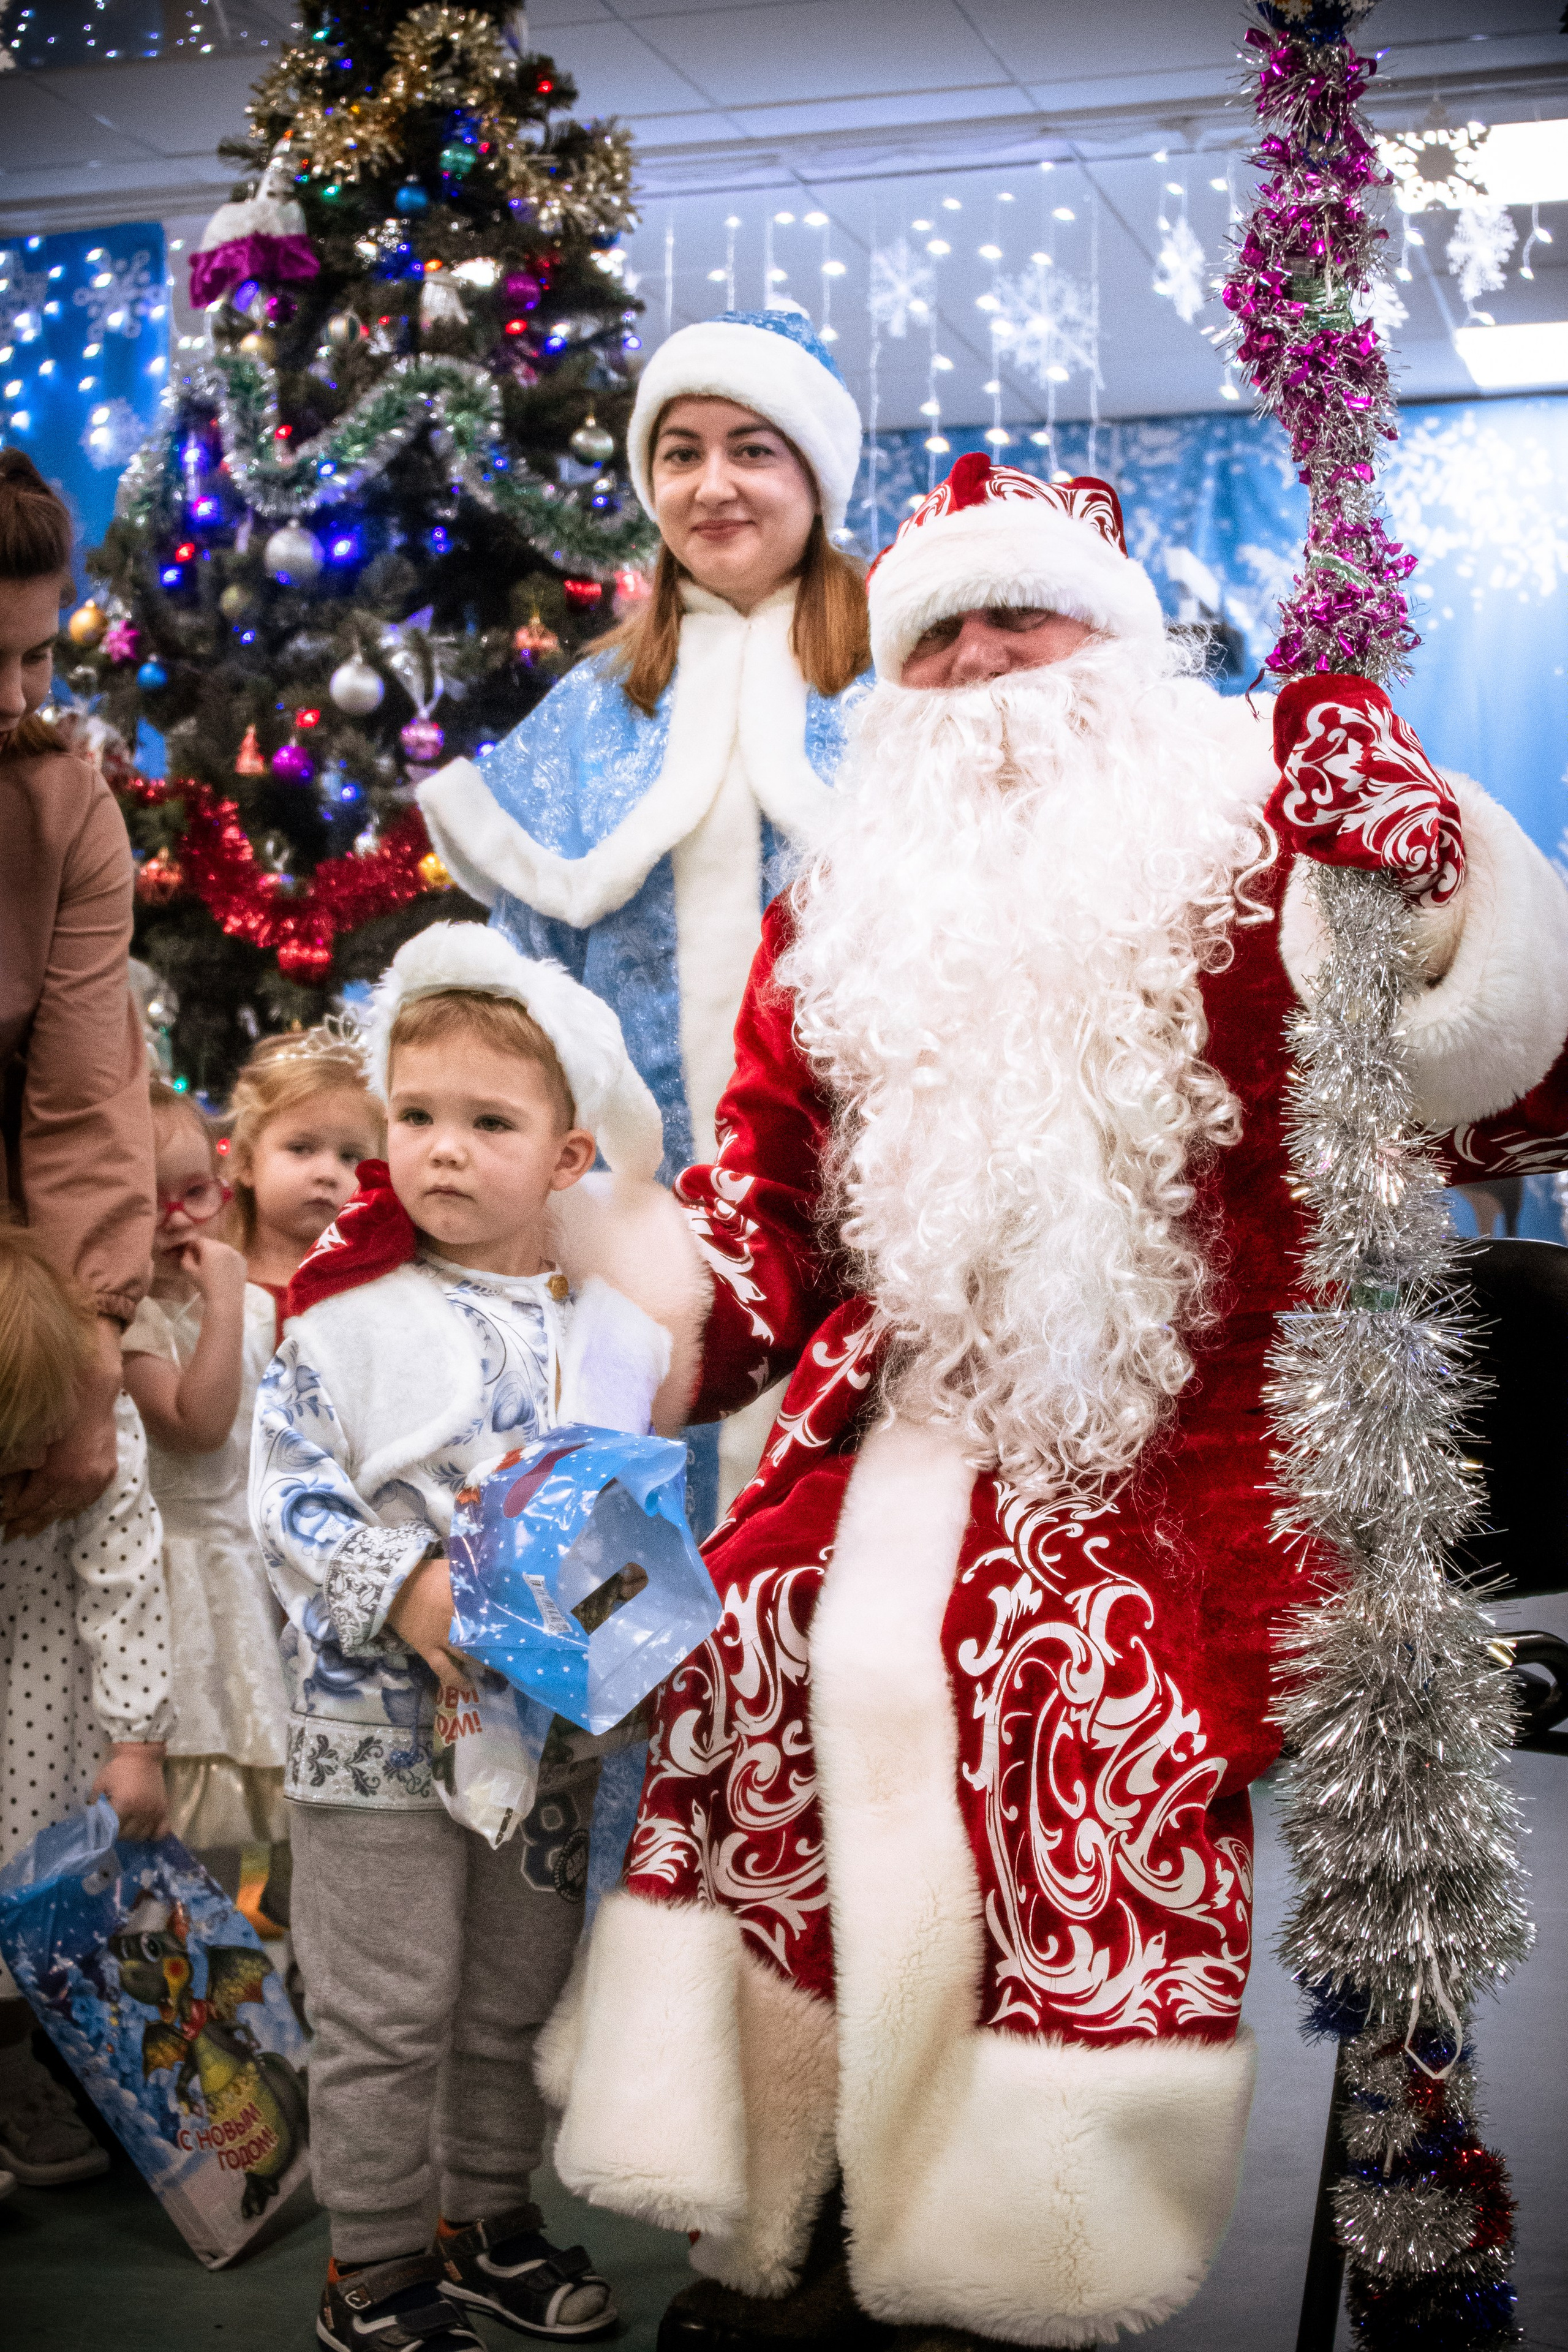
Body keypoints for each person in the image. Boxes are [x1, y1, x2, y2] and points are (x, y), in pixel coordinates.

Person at [536, 455, 1568, 2352]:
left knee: (1052, 1673)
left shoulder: (1266, 832)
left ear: (1117, 641)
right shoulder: (844, 916)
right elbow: (763, 1214)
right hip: (913, 1425)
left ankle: (1024, 2233)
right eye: (936, 636)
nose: (980, 665)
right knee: (762, 1622)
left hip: (1219, 1445)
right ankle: (805, 2195)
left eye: (1023, 617)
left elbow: (1518, 1099)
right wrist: (653, 1292)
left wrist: (1433, 891)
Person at [248, 922, 704, 2352]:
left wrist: (630, 1656)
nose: (442, 1148)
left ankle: (483, 2219)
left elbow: (627, 1526)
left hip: (543, 1739)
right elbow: (284, 1494)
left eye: (488, 1123)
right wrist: (403, 1584)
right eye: (417, 1116)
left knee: (508, 1999)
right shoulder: (342, 1329)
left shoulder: (615, 1338)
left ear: (568, 1156)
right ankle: (373, 2266)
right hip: (373, 1738)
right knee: (386, 2013)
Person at [418, 309, 869, 1527]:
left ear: (815, 475)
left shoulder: (898, 687)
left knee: (833, 1556)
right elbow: (517, 996)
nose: (712, 485)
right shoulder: (589, 715)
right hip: (628, 1243)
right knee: (629, 1575)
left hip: (868, 1228)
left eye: (751, 449)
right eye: (680, 453)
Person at [0, 448, 156, 1542]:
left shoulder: (65, 808)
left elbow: (85, 1096)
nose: (13, 699)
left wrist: (90, 1352)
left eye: (37, 656)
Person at [0, 1225, 171, 2198]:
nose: (28, 1457)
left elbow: (128, 1586)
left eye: (39, 1431)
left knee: (38, 1890)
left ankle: (18, 2061)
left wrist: (137, 1741)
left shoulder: (98, 1444)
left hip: (40, 1701)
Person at [119, 1078, 292, 1899]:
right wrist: (225, 1300)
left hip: (250, 1567)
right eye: (147, 1202)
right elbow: (197, 1425)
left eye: (195, 1192)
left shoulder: (257, 1308)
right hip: (171, 1579)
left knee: (257, 1789)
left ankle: (256, 1946)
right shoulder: (130, 1321)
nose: (178, 1218)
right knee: (181, 1797)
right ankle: (167, 1950)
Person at [227, 1021, 386, 1335]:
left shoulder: (382, 1287)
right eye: (301, 1149)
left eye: (351, 1157)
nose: (327, 1174)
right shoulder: (212, 1282)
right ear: (246, 1162)